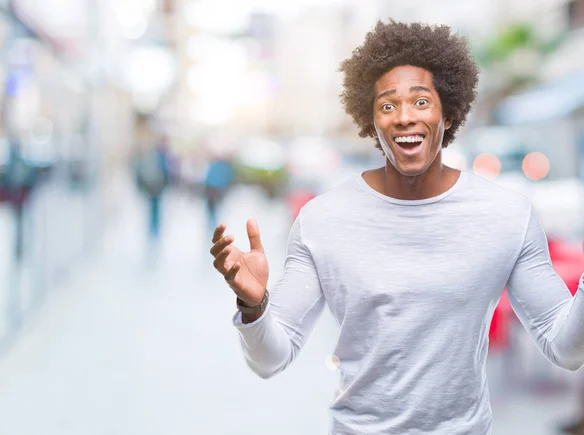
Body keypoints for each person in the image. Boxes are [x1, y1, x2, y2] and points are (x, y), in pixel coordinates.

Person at [209, 20, 584, 434]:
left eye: (421, 102)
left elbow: (566, 348)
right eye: (388, 105)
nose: (405, 117)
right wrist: (254, 305)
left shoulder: (508, 216)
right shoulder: (322, 221)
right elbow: (269, 359)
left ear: (448, 111)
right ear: (371, 119)